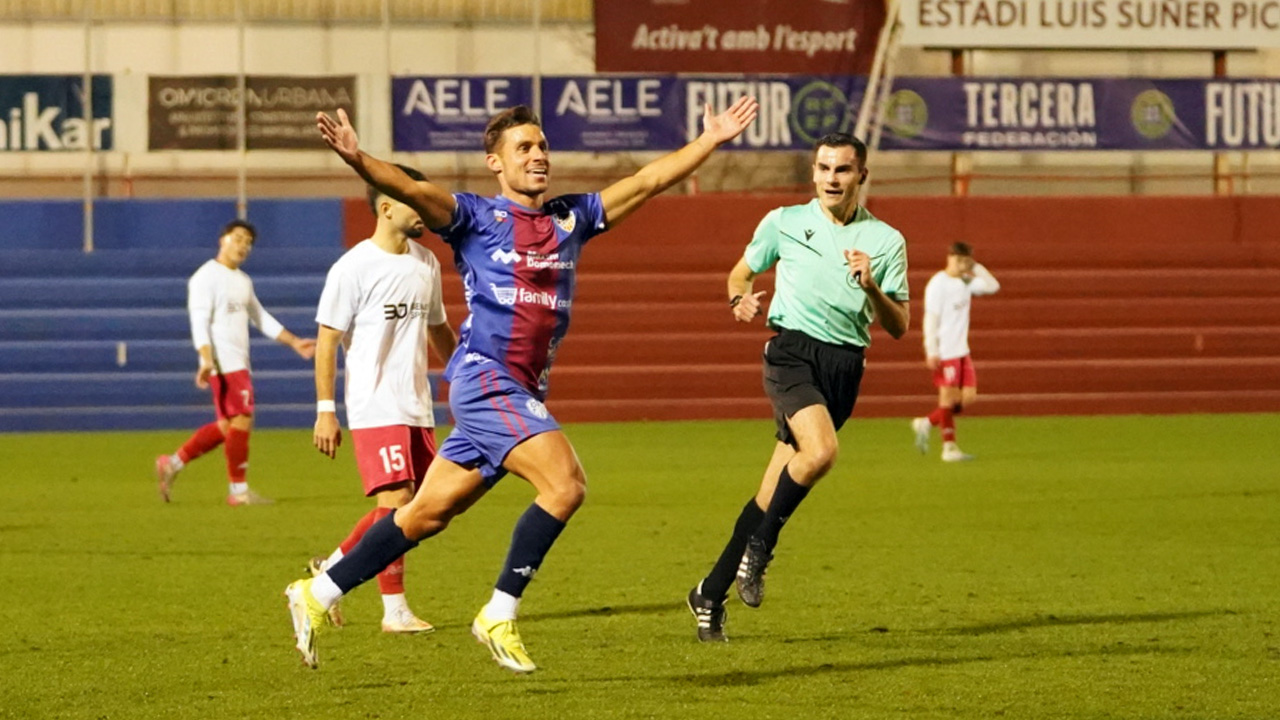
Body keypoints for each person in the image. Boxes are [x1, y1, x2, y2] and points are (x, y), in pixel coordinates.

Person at [286, 97, 759, 672]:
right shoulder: (474, 217)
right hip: (487, 380)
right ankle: (499, 612)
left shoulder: (572, 217)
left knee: (423, 515)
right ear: (495, 163)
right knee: (566, 485)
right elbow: (413, 192)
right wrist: (359, 159)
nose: (538, 156)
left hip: (519, 391)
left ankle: (318, 593)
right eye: (524, 148)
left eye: (542, 146)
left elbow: (646, 180)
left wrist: (709, 140)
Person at [685, 133, 910, 643]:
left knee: (771, 491)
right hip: (791, 354)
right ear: (813, 173)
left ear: (862, 176)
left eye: (844, 170)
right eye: (824, 168)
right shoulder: (785, 222)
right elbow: (738, 276)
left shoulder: (887, 241)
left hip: (844, 366)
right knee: (823, 451)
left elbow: (898, 325)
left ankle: (710, 592)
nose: (832, 178)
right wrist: (737, 301)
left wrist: (871, 285)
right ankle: (760, 549)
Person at [306, 165, 458, 635]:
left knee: (421, 511)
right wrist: (326, 411)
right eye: (413, 198)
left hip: (417, 405)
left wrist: (466, 378)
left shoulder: (425, 262)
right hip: (375, 406)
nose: (424, 206)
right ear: (386, 206)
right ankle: (394, 610)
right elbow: (328, 340)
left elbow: (438, 329)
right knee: (397, 508)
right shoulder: (353, 268)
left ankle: (327, 573)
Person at [154, 220, 315, 505]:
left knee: (229, 427)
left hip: (238, 362)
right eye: (238, 238)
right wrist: (205, 359)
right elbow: (199, 320)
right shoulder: (205, 277)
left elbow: (260, 316)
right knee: (242, 419)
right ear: (223, 240)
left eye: (248, 242)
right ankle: (238, 492)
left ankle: (172, 463)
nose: (243, 245)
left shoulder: (242, 281)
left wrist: (294, 342)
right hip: (224, 363)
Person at [910, 242, 1000, 462]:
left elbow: (992, 286)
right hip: (945, 351)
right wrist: (931, 350)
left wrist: (976, 267)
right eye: (958, 260)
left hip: (962, 350)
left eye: (965, 261)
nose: (961, 265)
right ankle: (948, 448)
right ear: (949, 258)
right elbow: (930, 319)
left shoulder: (966, 281)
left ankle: (926, 422)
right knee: (948, 399)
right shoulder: (937, 284)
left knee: (967, 397)